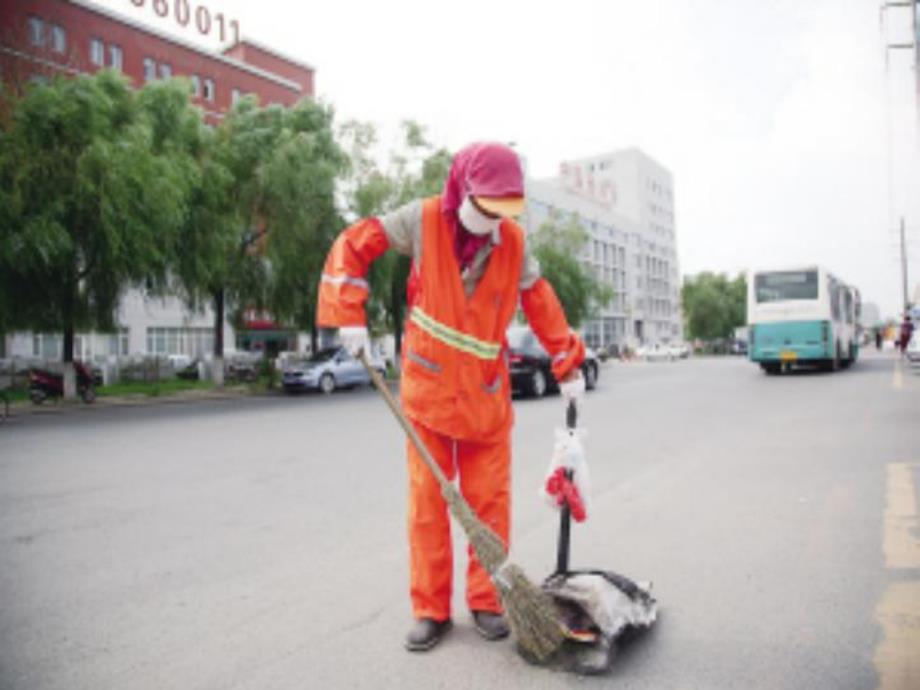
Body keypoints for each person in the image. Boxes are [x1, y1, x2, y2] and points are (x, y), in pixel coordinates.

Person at [316, 142, 586, 652]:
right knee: (427, 509)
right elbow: (355, 244)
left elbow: (540, 300)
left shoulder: (513, 243)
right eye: (487, 206)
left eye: (505, 210)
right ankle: (430, 609)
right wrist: (347, 312)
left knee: (489, 508)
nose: (494, 219)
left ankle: (487, 601)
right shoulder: (419, 221)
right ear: (463, 189)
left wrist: (566, 360)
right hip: (429, 395)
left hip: (485, 397)